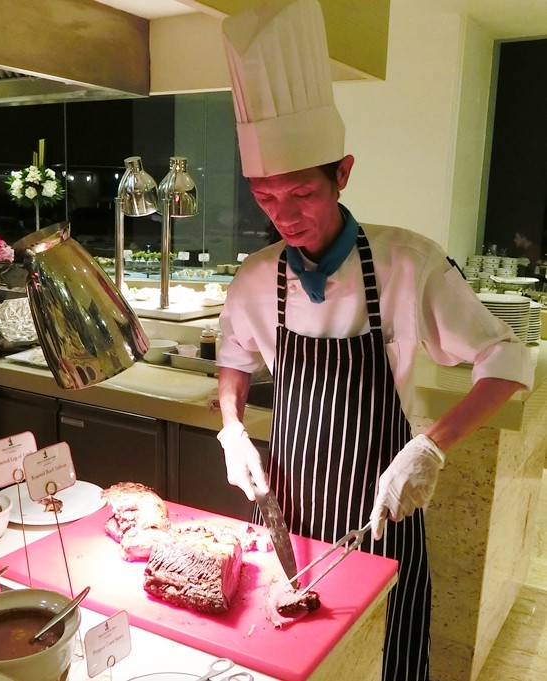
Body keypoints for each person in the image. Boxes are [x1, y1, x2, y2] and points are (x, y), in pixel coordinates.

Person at [214, 2, 534, 681]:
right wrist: (232, 428)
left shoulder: (409, 263)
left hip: (383, 517)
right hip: (290, 517)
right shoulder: (255, 277)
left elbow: (507, 360)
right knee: (298, 659)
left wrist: (430, 446)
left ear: (344, 172)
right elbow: (234, 358)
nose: (284, 216)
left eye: (301, 193)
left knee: (390, 658)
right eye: (265, 198)